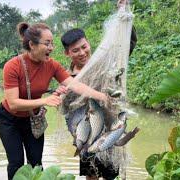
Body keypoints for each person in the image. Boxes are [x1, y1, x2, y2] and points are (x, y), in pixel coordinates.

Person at [0, 22, 108, 180]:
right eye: (47, 43)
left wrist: (102, 96)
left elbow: (75, 85)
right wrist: (45, 101)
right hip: (9, 120)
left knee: (36, 163)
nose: (51, 48)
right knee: (16, 163)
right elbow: (13, 103)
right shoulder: (12, 66)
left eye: (52, 43)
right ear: (32, 45)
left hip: (33, 119)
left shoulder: (52, 65)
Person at [59, 2, 137, 180]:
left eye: (84, 47)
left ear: (88, 43)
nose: (82, 53)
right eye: (75, 50)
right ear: (67, 53)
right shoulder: (68, 78)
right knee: (91, 175)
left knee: (111, 175)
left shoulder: (104, 63)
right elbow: (67, 112)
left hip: (110, 127)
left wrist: (123, 16)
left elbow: (127, 45)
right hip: (88, 131)